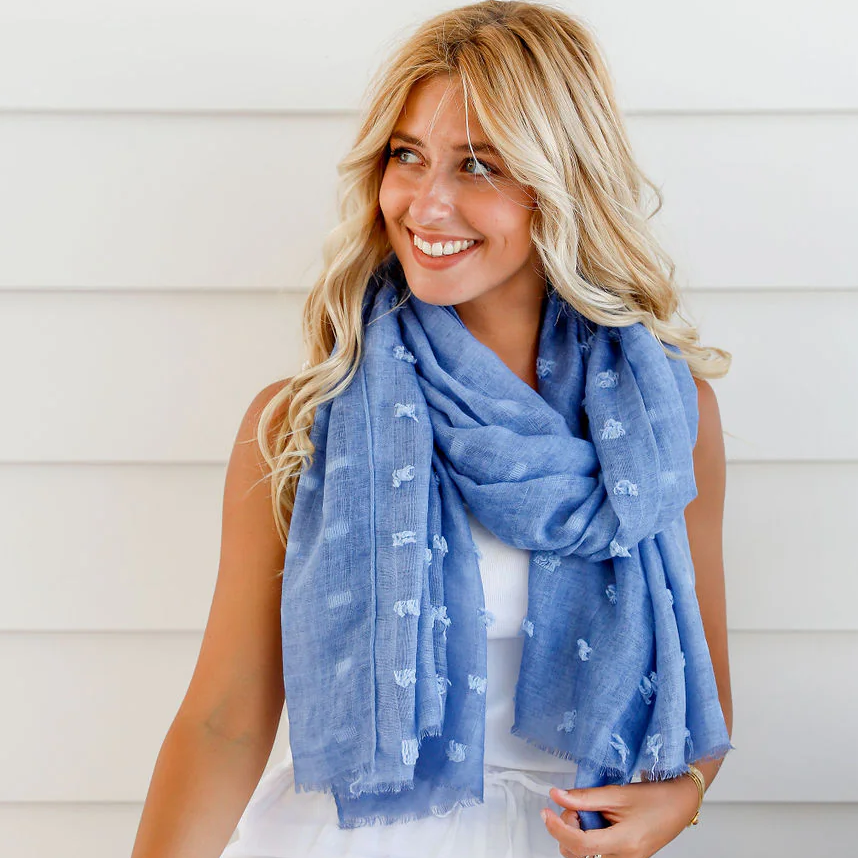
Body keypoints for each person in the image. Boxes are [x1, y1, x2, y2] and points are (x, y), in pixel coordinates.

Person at [130, 2, 734, 857]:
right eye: (406, 156)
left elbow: (704, 693)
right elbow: (224, 723)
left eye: (479, 165)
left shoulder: (667, 420)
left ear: (561, 182)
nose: (426, 202)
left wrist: (687, 794)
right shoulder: (302, 424)